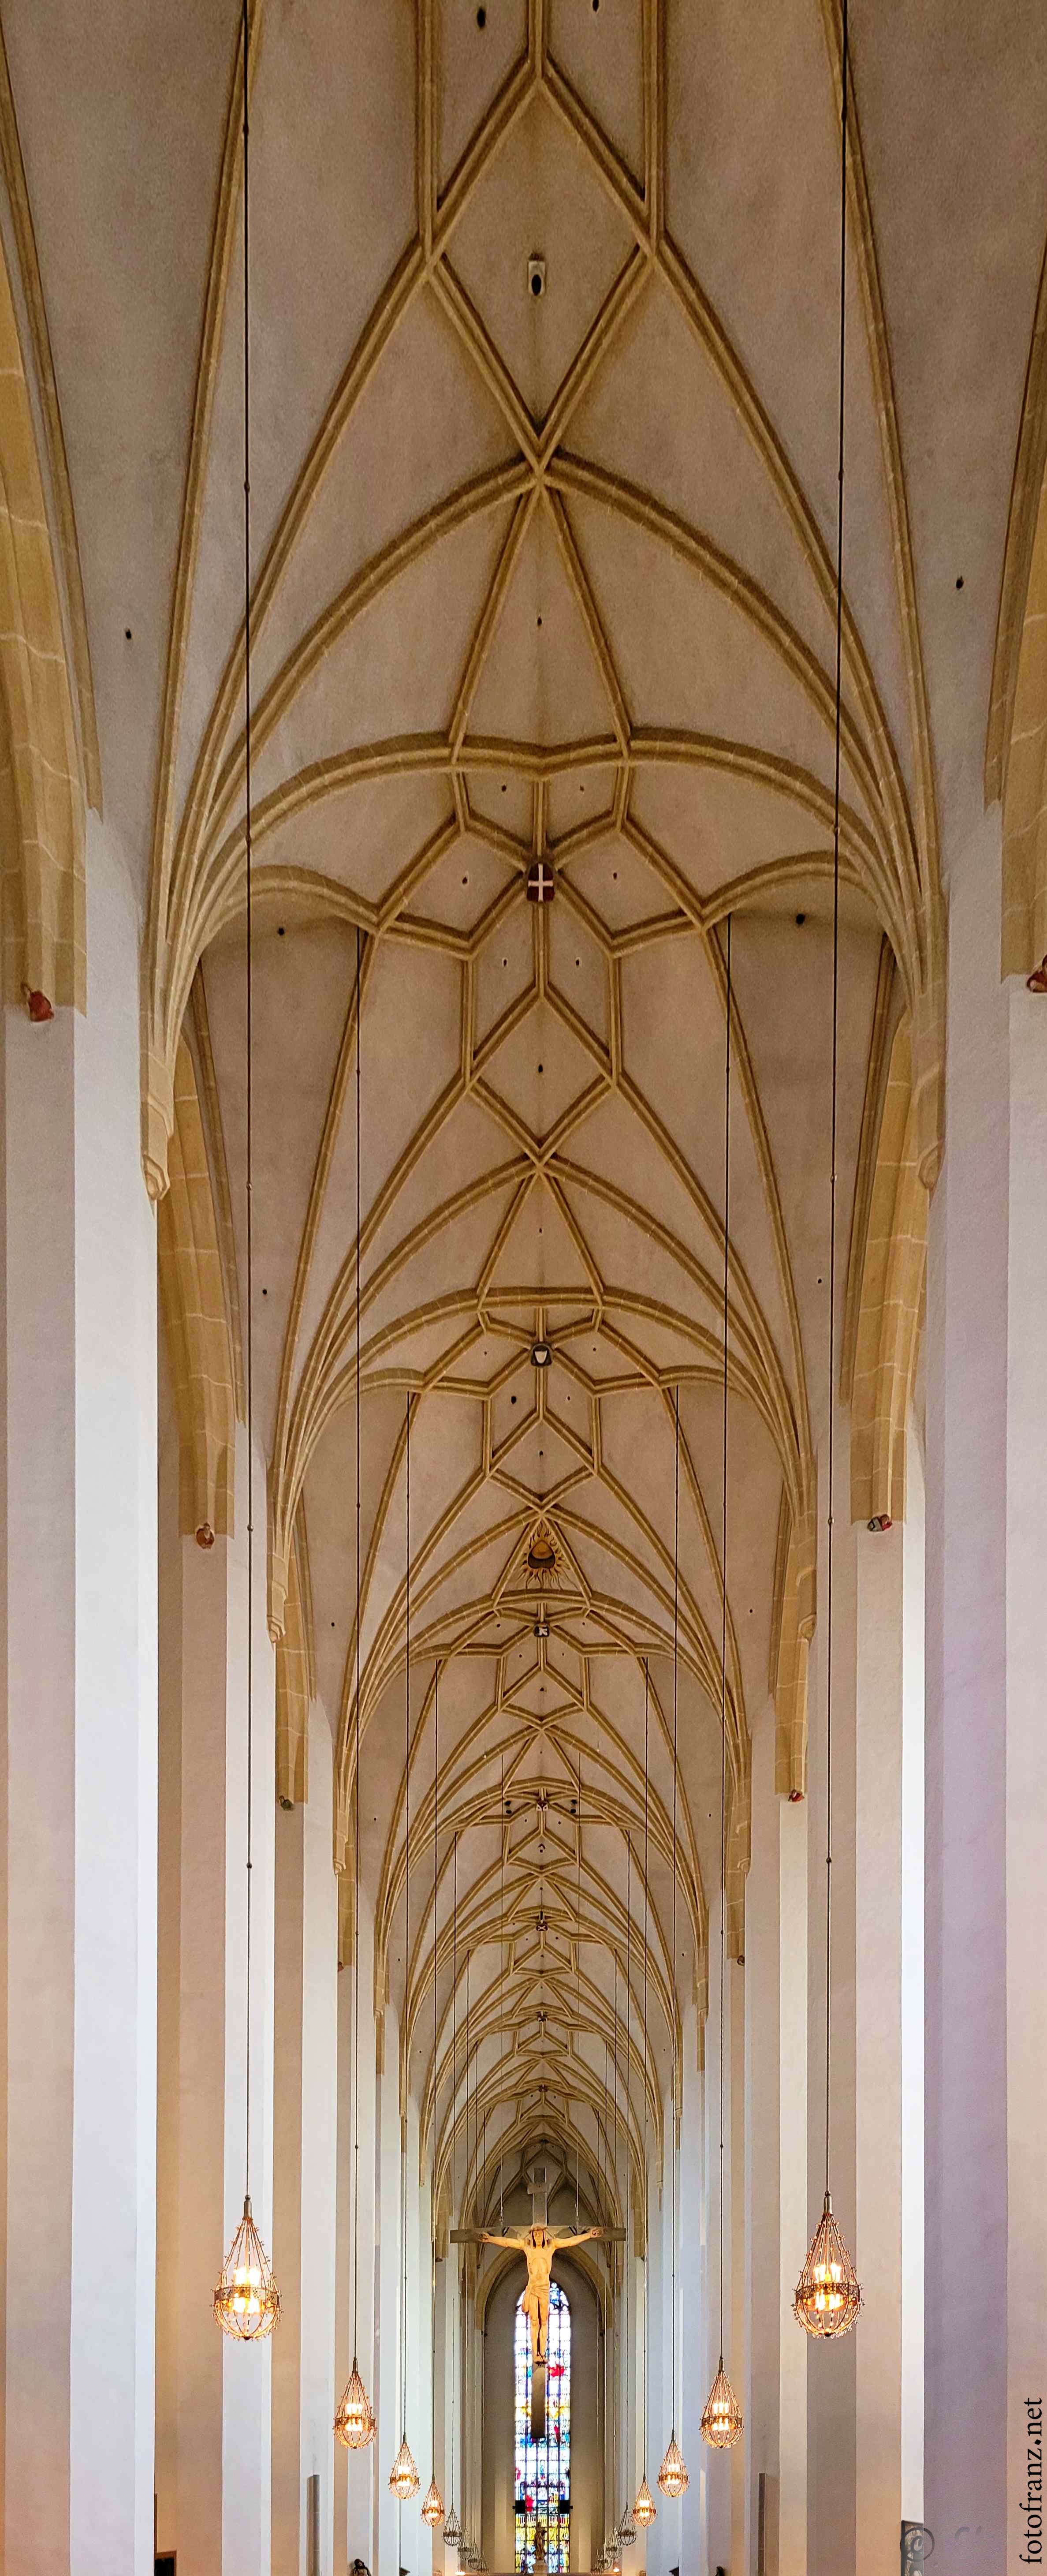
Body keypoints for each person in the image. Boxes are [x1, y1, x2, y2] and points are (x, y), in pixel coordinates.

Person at [478, 2219, 603, 2364]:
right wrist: (490, 2239)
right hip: (533, 2287)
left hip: (544, 2287)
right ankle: (535, 2354)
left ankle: (542, 2352)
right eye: (535, 2233)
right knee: (534, 2321)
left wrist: (589, 2235)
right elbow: (507, 2242)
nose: (538, 2236)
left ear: (544, 2234)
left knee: (544, 2321)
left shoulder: (551, 2246)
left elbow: (570, 2242)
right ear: (532, 2235)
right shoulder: (527, 2247)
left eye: (540, 2233)